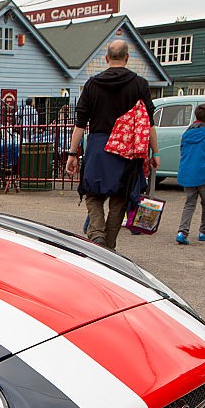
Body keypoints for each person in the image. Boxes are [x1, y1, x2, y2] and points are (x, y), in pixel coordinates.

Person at [65, 39, 159, 250]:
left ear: (106, 58)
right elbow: (149, 123)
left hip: (98, 146)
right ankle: (109, 246)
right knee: (120, 198)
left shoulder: (92, 84)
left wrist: (72, 153)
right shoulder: (139, 84)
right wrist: (156, 152)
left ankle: (97, 234)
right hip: (127, 149)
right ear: (127, 58)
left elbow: (80, 124)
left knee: (93, 194)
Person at [176, 103, 205, 245]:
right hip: (204, 172)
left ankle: (182, 232)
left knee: (189, 202)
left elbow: (182, 149)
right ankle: (204, 231)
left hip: (188, 171)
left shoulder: (188, 131)